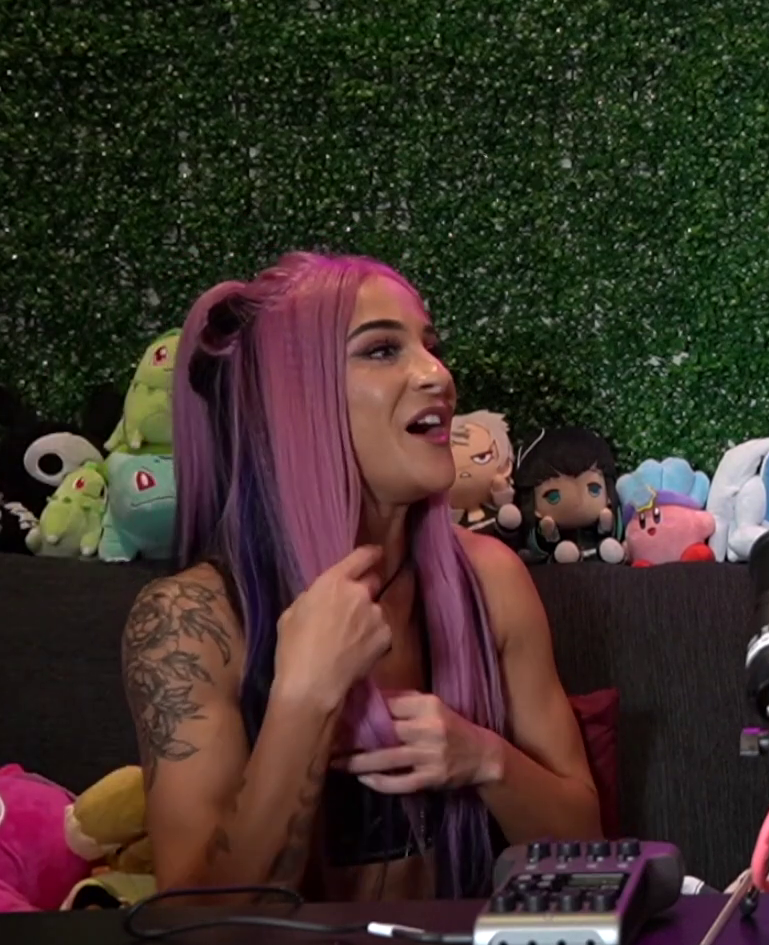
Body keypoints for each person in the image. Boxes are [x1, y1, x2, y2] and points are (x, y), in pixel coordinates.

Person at [123, 251, 601, 903]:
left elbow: (586, 847)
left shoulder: (490, 580)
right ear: (293, 402)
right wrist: (304, 697)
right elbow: (195, 928)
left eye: (431, 347)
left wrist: (484, 759)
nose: (437, 375)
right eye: (381, 350)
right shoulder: (189, 622)